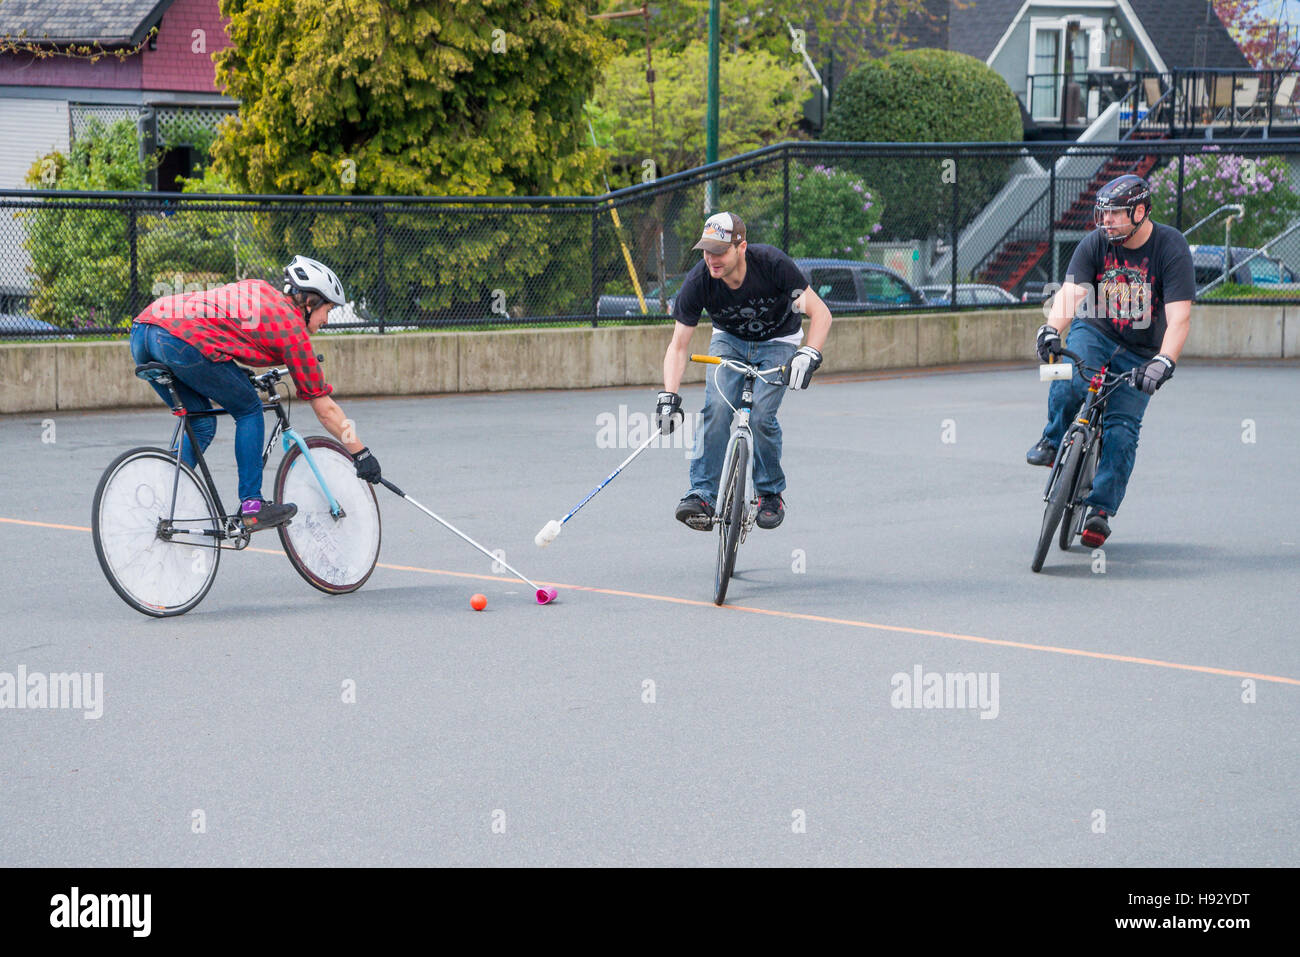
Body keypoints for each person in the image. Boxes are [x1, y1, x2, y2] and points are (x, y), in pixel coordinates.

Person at [129, 255, 382, 529]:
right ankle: (252, 505)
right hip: (182, 340)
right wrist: (360, 453)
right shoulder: (293, 331)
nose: (327, 320)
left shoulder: (259, 288)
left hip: (144, 331)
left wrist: (237, 373)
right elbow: (326, 409)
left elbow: (223, 323)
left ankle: (164, 500)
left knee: (200, 423)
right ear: (310, 302)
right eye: (328, 310)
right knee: (249, 409)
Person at [1027, 174, 1195, 547]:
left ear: (1139, 212)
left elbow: (1180, 316)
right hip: (1095, 332)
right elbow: (1071, 293)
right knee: (1068, 376)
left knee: (1122, 431)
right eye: (1103, 214)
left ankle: (1099, 512)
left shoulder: (1171, 247)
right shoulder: (1095, 243)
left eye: (1115, 215)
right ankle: (1053, 439)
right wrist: (1051, 329)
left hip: (1141, 353)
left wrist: (1164, 362)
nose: (1106, 222)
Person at [657, 212, 832, 531]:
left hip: (778, 340)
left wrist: (810, 353)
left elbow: (820, 313)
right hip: (730, 341)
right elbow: (678, 345)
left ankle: (769, 493)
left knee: (762, 415)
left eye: (720, 251)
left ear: (741, 248)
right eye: (707, 251)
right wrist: (669, 395)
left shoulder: (772, 264)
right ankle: (702, 494)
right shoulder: (700, 281)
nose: (712, 259)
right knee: (718, 408)